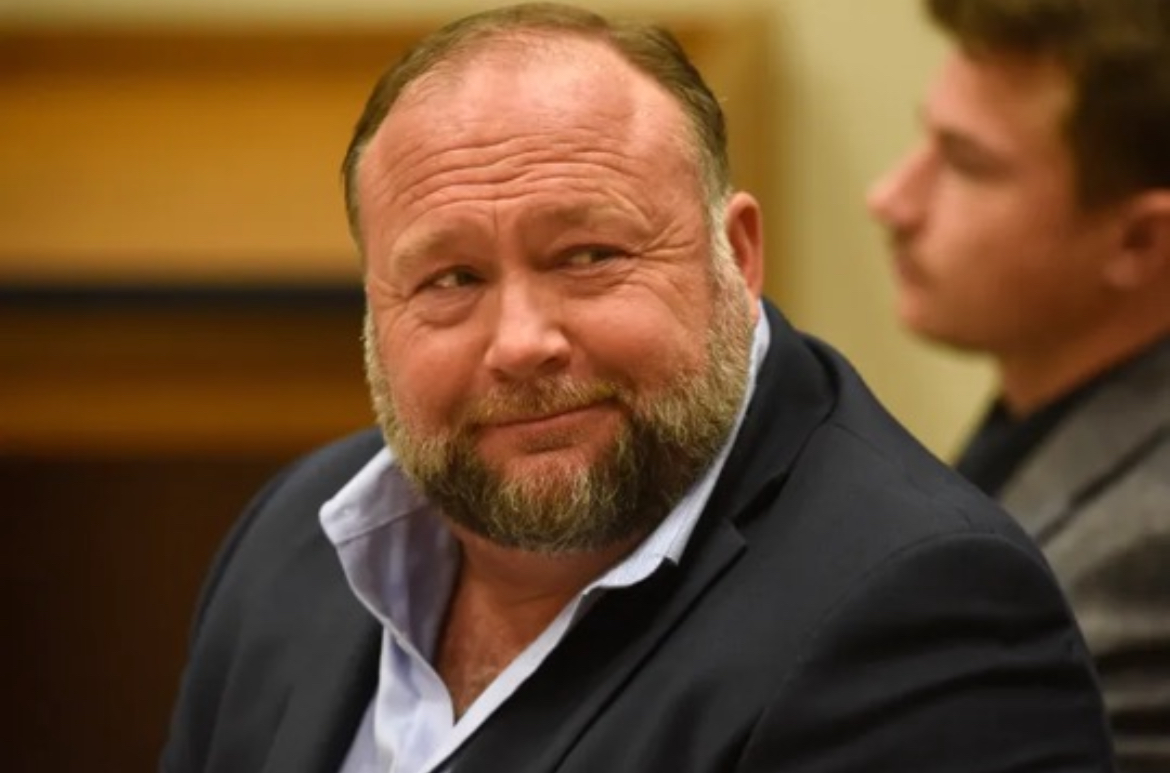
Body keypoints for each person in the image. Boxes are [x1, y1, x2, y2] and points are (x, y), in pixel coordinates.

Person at [162, 4, 1112, 772]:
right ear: (375, 307)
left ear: (737, 258)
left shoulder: (920, 615)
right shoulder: (293, 535)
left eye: (588, 256)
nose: (521, 343)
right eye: (451, 279)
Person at [867, 0, 1170, 768]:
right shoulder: (1043, 409)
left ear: (1139, 241)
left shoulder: (1143, 555)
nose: (892, 199)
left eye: (966, 164)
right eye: (925, 139)